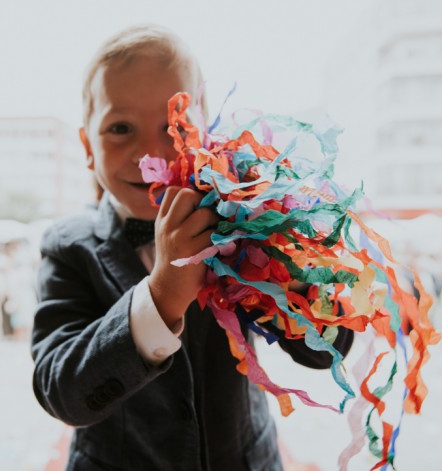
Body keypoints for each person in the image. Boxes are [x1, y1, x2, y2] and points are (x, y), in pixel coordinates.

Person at [31, 24, 354, 471]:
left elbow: (326, 351)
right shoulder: (67, 248)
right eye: (120, 127)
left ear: (206, 130)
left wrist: (289, 272)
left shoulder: (239, 224)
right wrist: (161, 296)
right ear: (87, 147)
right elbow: (60, 392)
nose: (151, 151)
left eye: (175, 124)